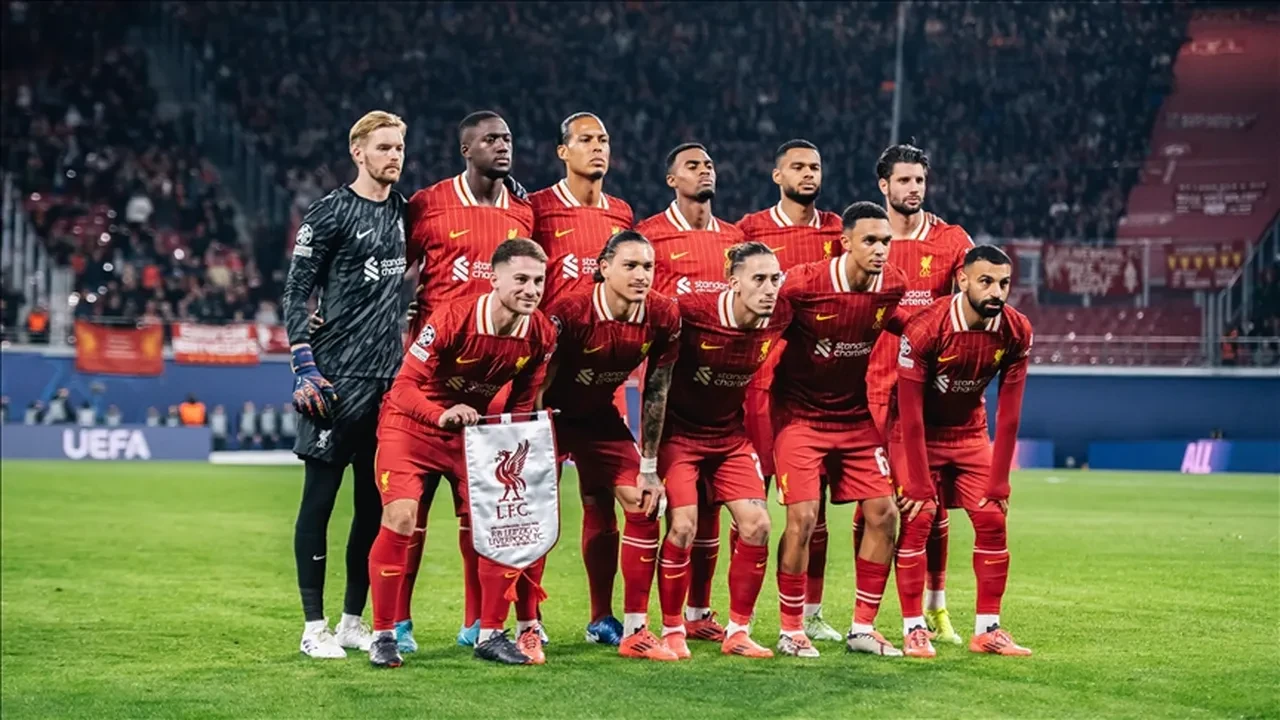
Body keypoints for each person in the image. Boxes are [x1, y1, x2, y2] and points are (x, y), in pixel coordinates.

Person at [366, 238, 556, 668]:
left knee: (496, 526)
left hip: (473, 434)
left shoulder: (541, 333)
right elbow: (402, 387)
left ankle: (490, 633)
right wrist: (441, 415)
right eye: (521, 279)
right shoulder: (453, 317)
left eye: (539, 280)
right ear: (495, 279)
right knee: (400, 517)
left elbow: (524, 402)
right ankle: (383, 635)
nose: (531, 289)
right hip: (412, 427)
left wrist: (512, 444)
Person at [399, 110, 536, 651]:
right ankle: (399, 623)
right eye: (490, 139)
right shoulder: (428, 204)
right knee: (411, 509)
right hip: (431, 378)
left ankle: (478, 623)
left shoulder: (523, 212)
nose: (502, 146)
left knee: (483, 510)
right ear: (465, 148)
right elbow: (392, 273)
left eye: (507, 137)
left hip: (493, 383)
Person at [280, 110, 409, 659]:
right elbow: (295, 292)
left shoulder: (408, 212)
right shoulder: (330, 212)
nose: (394, 156)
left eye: (399, 147)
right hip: (335, 382)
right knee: (320, 502)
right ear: (358, 152)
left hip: (389, 384)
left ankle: (354, 620)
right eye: (383, 147)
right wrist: (304, 364)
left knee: (373, 507)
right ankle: (314, 627)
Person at [771, 202, 907, 658]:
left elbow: (909, 326)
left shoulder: (893, 286)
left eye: (886, 241)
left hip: (853, 417)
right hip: (799, 416)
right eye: (870, 240)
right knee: (804, 517)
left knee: (886, 513)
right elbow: (763, 328)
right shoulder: (803, 285)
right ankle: (791, 629)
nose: (880, 250)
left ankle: (863, 628)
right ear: (844, 242)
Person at [539, 230, 681, 660]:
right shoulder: (570, 312)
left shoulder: (662, 314)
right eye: (631, 266)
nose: (642, 276)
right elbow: (539, 384)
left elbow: (657, 388)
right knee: (534, 517)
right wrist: (529, 437)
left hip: (598, 416)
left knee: (643, 502)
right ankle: (528, 623)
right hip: (550, 416)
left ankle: (630, 628)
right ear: (603, 268)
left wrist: (651, 464)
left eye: (648, 267)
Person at [893, 244, 1035, 657]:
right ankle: (913, 628)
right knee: (918, 520)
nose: (996, 292)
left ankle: (987, 630)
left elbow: (1009, 414)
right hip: (915, 433)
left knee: (993, 517)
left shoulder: (1016, 329)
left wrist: (1000, 480)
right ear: (963, 280)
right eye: (986, 281)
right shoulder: (926, 327)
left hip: (970, 433)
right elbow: (911, 412)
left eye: (1004, 283)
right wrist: (918, 483)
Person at [530, 112, 637, 645]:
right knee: (531, 502)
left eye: (604, 139)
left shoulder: (621, 213)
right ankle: (529, 617)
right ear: (562, 151)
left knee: (602, 500)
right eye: (587, 140)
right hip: (548, 382)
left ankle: (601, 617)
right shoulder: (537, 209)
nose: (598, 148)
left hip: (601, 387)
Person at [656, 242, 792, 659]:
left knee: (758, 525)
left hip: (730, 438)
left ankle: (738, 631)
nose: (770, 289)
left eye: (775, 279)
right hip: (679, 435)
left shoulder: (782, 315)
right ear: (733, 283)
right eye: (759, 280)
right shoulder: (691, 312)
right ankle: (673, 628)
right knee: (682, 526)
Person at [863, 142, 975, 645]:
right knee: (875, 505)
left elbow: (967, 312)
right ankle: (865, 617)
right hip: (869, 389)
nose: (913, 189)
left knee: (932, 507)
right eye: (903, 181)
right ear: (883, 186)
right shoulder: (867, 238)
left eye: (920, 181)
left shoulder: (952, 242)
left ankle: (935, 607)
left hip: (925, 397)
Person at [635, 142, 746, 643]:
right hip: (672, 397)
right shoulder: (651, 238)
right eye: (692, 165)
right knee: (677, 514)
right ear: (670, 180)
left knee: (713, 511)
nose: (705, 171)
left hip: (724, 398)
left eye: (709, 165)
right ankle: (660, 619)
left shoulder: (735, 239)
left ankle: (700, 613)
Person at [736, 139, 844, 642]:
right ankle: (740, 615)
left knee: (812, 509)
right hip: (760, 380)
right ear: (777, 174)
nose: (808, 173)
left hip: (812, 384)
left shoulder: (838, 231)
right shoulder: (750, 230)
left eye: (815, 166)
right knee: (749, 503)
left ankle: (811, 612)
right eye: (797, 166)